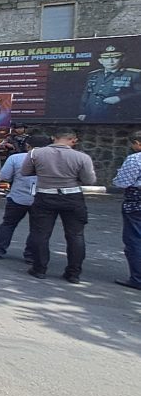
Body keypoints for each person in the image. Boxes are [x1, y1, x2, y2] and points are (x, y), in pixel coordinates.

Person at [21, 128, 96, 282]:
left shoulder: (36, 153)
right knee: (76, 235)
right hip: (72, 196)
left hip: (45, 195)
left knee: (40, 233)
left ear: (53, 138)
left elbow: (25, 172)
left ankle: (39, 269)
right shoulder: (82, 157)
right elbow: (89, 180)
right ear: (73, 140)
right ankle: (73, 273)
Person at [0, 133, 52, 262]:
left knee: (8, 224)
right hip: (42, 198)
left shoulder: (16, 158)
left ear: (28, 145)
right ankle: (30, 255)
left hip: (18, 196)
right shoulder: (54, 160)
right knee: (37, 228)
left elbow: (5, 177)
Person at [111, 132, 141, 291]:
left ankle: (138, 278)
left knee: (135, 239)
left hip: (136, 203)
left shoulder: (135, 159)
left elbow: (123, 182)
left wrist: (116, 179)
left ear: (137, 143)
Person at [80, 46, 141, 122]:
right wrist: (82, 112)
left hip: (117, 117)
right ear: (100, 61)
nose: (110, 61)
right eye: (106, 58)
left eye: (115, 58)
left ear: (123, 59)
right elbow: (86, 94)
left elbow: (139, 93)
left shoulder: (134, 74)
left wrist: (119, 98)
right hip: (92, 114)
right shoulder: (93, 74)